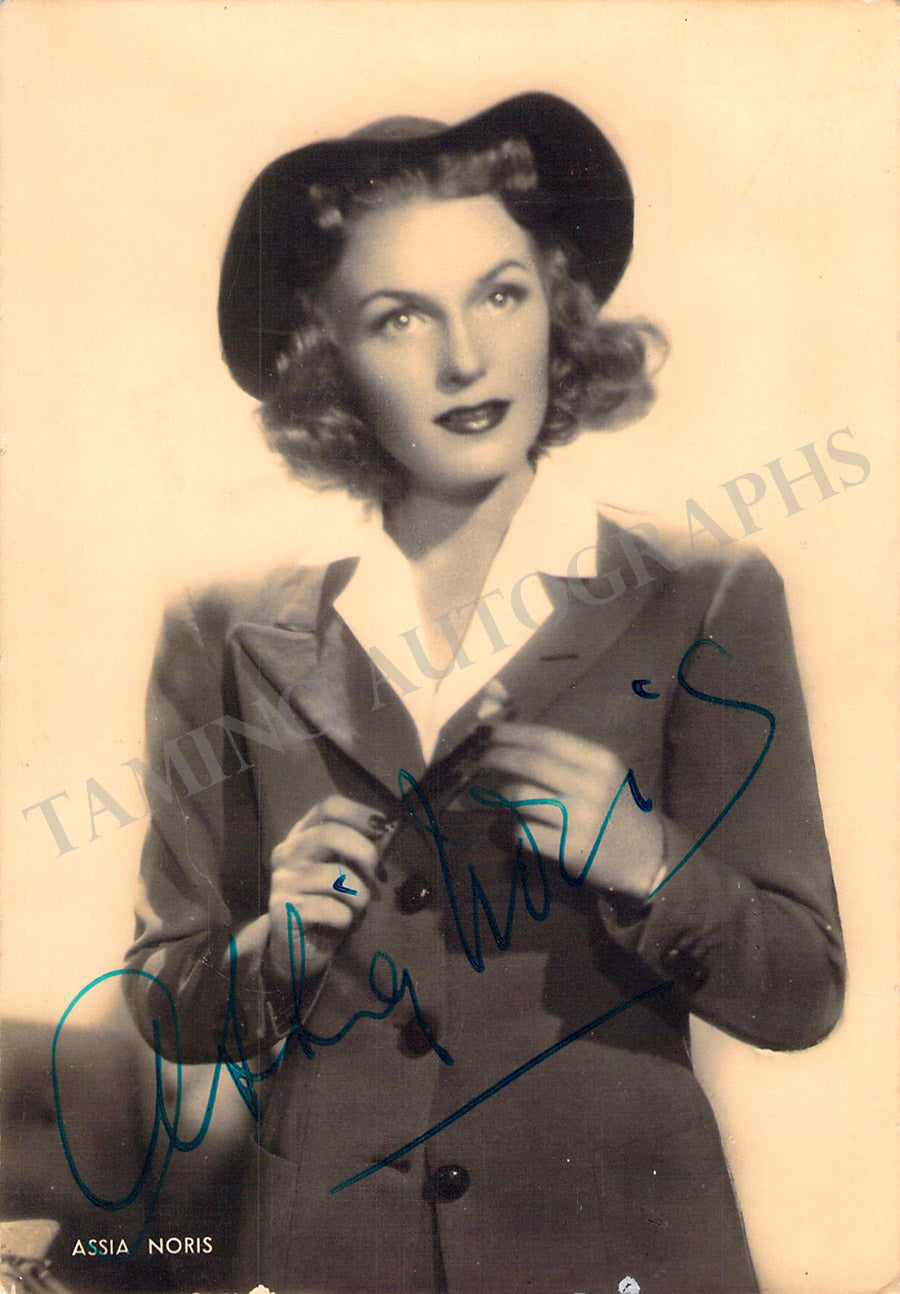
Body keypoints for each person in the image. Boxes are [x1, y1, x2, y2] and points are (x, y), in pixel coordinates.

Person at [123, 93, 845, 1293]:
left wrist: (649, 863)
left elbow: (804, 990)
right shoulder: (224, 627)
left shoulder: (704, 592)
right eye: (401, 317)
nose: (466, 359)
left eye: (501, 294)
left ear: (558, 306)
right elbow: (168, 1001)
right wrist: (275, 948)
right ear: (325, 356)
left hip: (618, 1253)